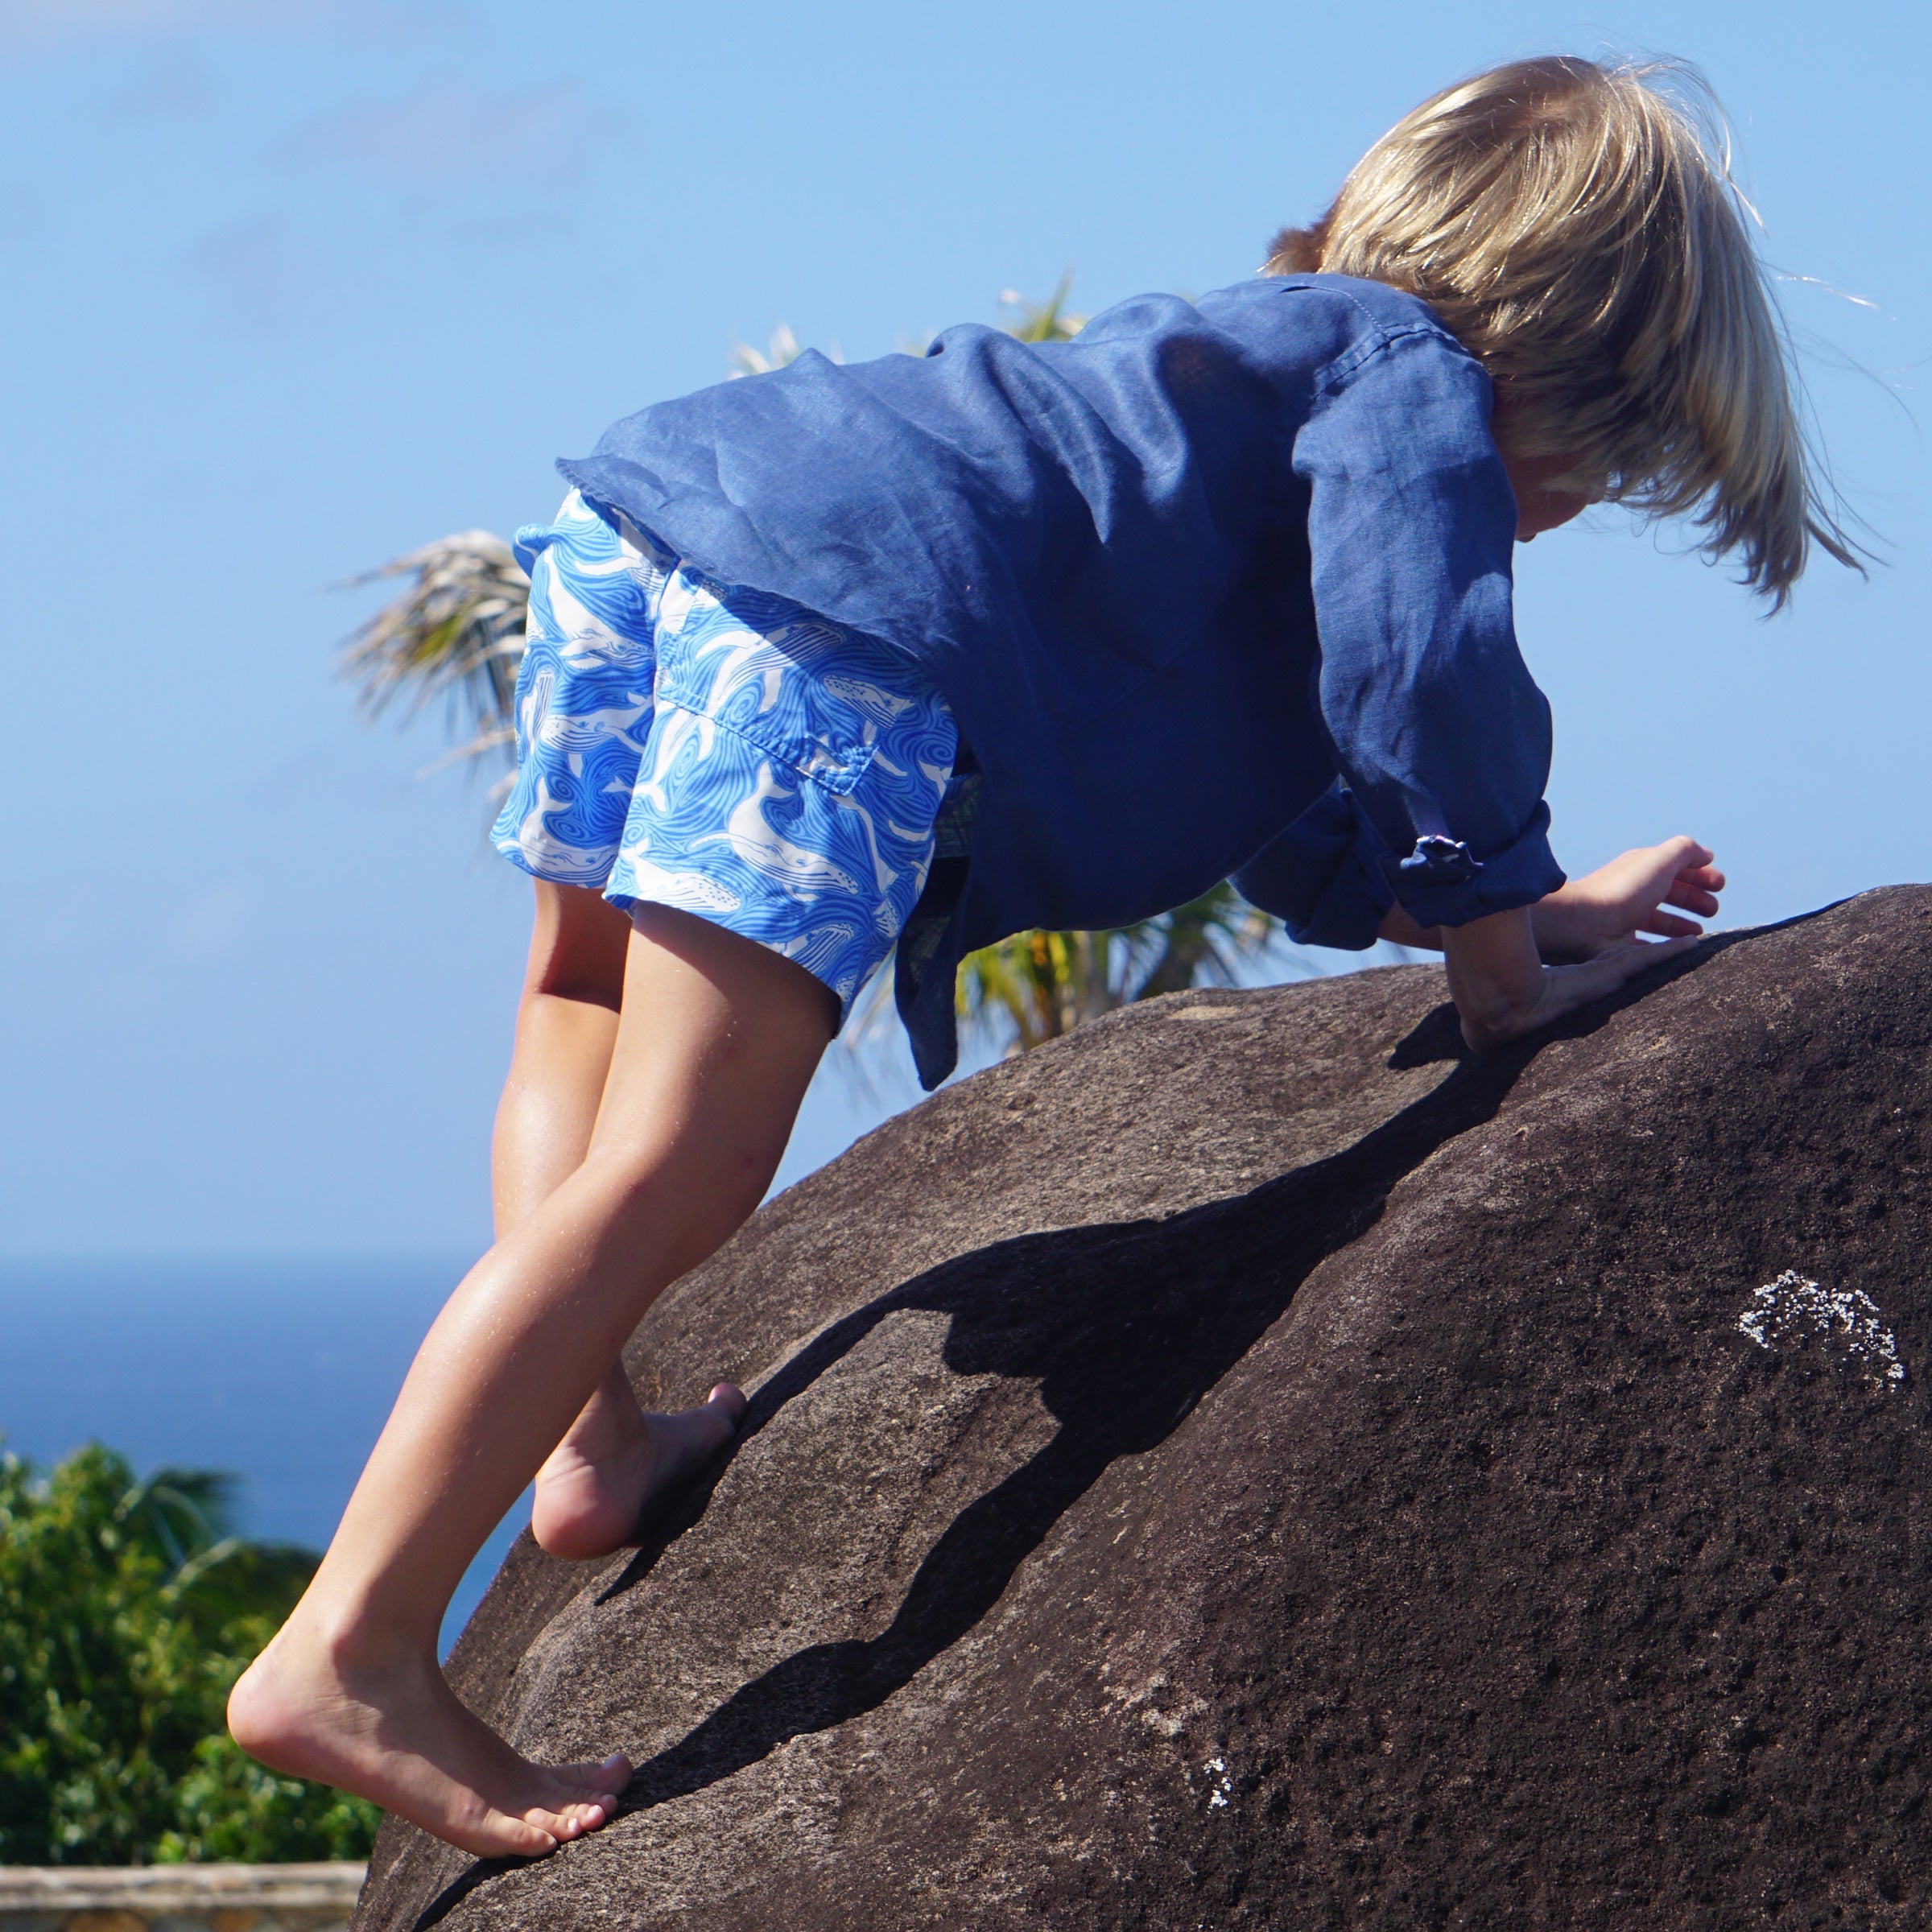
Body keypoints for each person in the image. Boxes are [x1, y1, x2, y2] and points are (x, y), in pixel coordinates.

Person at [227, 54, 1856, 1856]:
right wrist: (1502, 973)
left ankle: (589, 1442)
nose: (1556, 512)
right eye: (1600, 470)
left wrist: (1524, 900)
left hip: (652, 527)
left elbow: (1285, 785)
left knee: (582, 1014)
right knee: (680, 1161)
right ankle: (355, 1645)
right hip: (832, 619)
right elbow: (1419, 676)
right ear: (1573, 359)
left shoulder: (1225, 409)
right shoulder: (1415, 383)